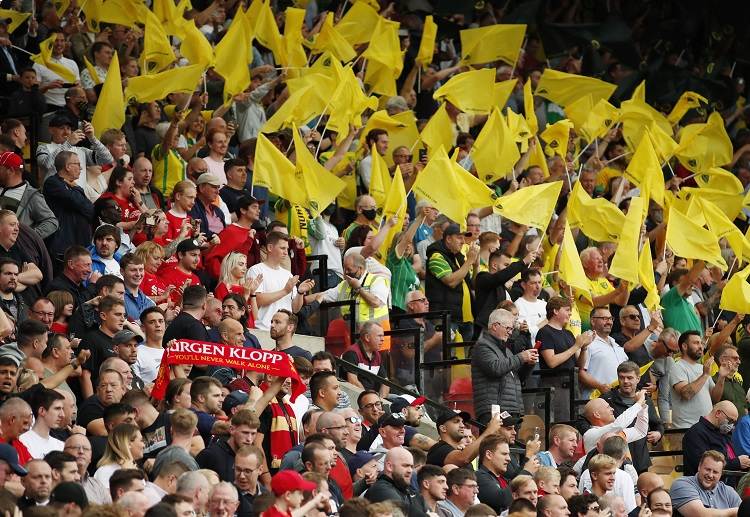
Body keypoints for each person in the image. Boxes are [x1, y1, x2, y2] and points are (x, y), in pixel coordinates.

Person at [472, 308, 538, 421]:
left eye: (512, 329)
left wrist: (528, 364)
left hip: (511, 409)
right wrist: (521, 357)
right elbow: (495, 368)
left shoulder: (506, 350)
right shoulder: (482, 346)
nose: (510, 332)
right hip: (494, 410)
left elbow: (518, 378)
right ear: (495, 326)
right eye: (508, 328)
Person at [600, 361, 664, 473]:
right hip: (612, 461)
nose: (625, 381)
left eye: (630, 378)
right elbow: (584, 420)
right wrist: (596, 434)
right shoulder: (607, 399)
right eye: (622, 377)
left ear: (638, 379)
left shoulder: (646, 400)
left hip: (640, 460)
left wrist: (658, 433)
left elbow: (657, 424)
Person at [247, 231, 314, 330]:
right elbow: (257, 300)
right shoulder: (256, 270)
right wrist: (285, 291)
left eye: (287, 249)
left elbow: (295, 309)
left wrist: (300, 292)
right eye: (282, 248)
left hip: (285, 332)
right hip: (264, 329)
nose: (286, 252)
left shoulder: (288, 274)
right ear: (270, 248)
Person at [425, 223, 480, 340]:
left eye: (464, 238)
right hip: (445, 317)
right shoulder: (436, 256)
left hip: (465, 317)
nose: (463, 241)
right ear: (448, 239)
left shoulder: (458, 257)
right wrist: (469, 261)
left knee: (464, 357)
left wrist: (476, 266)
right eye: (459, 237)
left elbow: (473, 285)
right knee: (448, 354)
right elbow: (451, 282)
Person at [0, 151, 58, 239]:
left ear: (11, 170)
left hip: (13, 251)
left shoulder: (31, 195)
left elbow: (52, 222)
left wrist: (28, 238)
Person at [682, 401, 750, 476]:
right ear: (718, 413)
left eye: (734, 423)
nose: (731, 426)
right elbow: (703, 464)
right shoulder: (696, 433)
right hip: (705, 485)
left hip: (727, 484)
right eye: (730, 421)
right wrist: (737, 463)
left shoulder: (723, 432)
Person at [670, 450, 741, 517]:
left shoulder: (728, 491)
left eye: (715, 472)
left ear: (721, 474)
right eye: (707, 469)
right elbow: (701, 515)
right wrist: (734, 512)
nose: (710, 475)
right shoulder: (682, 484)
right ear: (699, 467)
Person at [579, 306, 629, 399]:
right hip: (596, 400)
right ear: (593, 321)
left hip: (619, 399)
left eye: (610, 319)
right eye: (604, 319)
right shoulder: (586, 341)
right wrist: (600, 386)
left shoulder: (616, 344)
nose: (609, 322)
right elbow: (580, 373)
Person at [196, 409, 259, 482]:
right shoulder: (210, 455)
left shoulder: (251, 456)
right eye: (245, 433)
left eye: (253, 434)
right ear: (232, 430)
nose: (249, 439)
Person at [426, 410, 501, 468]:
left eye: (462, 422)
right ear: (443, 428)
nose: (462, 426)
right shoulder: (438, 449)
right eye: (456, 421)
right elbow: (463, 459)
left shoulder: (460, 451)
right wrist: (489, 431)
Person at [671, 330, 716, 429]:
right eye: (696, 343)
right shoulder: (677, 366)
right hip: (687, 428)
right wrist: (704, 375)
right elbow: (686, 394)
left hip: (707, 426)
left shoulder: (702, 367)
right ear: (684, 346)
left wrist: (722, 377)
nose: (700, 346)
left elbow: (715, 397)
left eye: (701, 343)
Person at [365, 447, 426, 517]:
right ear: (389, 466)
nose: (410, 471)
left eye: (411, 467)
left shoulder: (410, 491)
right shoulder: (381, 489)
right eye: (405, 466)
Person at [581, 392, 649, 452]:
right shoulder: (590, 434)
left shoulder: (616, 432)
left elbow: (640, 431)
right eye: (608, 407)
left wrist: (642, 406)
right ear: (597, 414)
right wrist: (639, 403)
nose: (612, 409)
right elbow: (619, 425)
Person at [341, 321, 389, 396]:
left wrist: (381, 401)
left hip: (373, 399)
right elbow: (353, 381)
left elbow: (385, 382)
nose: (382, 339)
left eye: (383, 336)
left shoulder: (377, 355)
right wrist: (369, 398)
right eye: (379, 336)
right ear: (367, 337)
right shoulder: (352, 353)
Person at [63, 434, 110, 505]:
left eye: (85, 449)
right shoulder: (57, 482)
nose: (81, 451)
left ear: (90, 457)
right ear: (64, 452)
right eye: (76, 447)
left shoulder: (97, 485)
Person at [19, 389, 66, 459]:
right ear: (42, 411)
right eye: (57, 409)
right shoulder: (22, 441)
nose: (62, 415)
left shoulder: (61, 445)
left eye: (63, 409)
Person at [263, 470, 328, 517]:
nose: (302, 497)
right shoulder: (274, 515)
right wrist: (314, 502)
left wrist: (314, 503)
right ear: (288, 495)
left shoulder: (280, 510)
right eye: (300, 493)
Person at [476, 434, 513, 514]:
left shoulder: (505, 480)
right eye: (504, 454)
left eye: (508, 454)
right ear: (489, 455)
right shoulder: (479, 476)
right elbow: (501, 499)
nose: (509, 459)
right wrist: (526, 472)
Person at [133, 307, 166, 384]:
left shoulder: (170, 353)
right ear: (143, 328)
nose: (158, 325)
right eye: (152, 322)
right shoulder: (136, 352)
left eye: (161, 321)